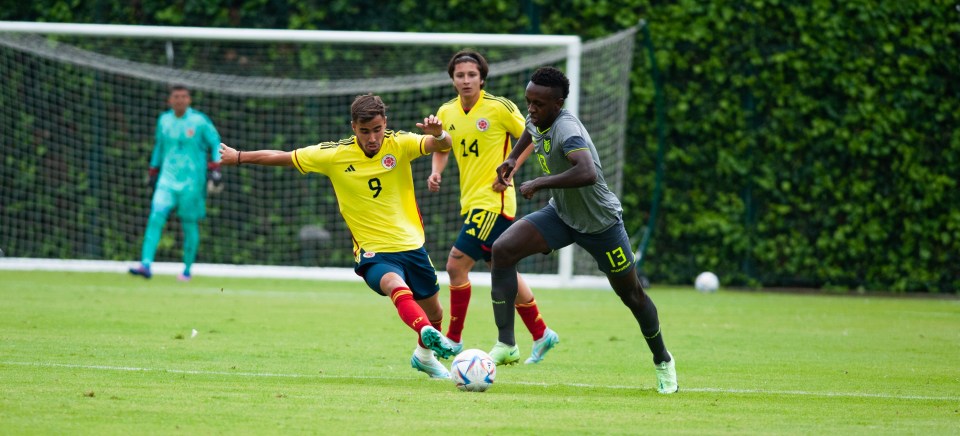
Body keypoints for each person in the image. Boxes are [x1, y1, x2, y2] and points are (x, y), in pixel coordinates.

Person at [218, 94, 461, 379]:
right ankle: (424, 331)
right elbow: (284, 157)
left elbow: (442, 144)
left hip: (412, 246)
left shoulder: (401, 143)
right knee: (395, 285)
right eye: (365, 131)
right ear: (353, 127)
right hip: (373, 252)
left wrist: (440, 134)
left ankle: (424, 356)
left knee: (434, 310)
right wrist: (239, 157)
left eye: (378, 129)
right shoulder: (334, 155)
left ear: (386, 124)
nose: (373, 138)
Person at [492, 67, 679, 394]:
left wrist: (540, 181)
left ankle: (663, 360)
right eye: (528, 101)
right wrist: (510, 160)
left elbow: (588, 172)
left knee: (631, 295)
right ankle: (507, 342)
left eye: (538, 103)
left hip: (601, 223)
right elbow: (529, 130)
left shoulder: (568, 130)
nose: (530, 109)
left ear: (558, 103)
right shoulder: (538, 117)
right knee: (502, 250)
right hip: (562, 215)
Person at [428, 50, 559, 366]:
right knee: (502, 270)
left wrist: (510, 171)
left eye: (472, 74)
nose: (466, 80)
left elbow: (531, 136)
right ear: (453, 79)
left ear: (482, 78)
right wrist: (436, 170)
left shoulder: (499, 108)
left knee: (456, 266)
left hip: (494, 202)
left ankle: (454, 339)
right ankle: (541, 333)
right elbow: (443, 144)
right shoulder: (446, 112)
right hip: (471, 202)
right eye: (460, 75)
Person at [129, 85, 223, 282]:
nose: (180, 100)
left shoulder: (199, 121)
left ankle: (187, 270)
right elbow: (159, 147)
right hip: (167, 180)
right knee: (155, 216)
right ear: (169, 101)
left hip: (192, 183)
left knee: (189, 224)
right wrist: (153, 170)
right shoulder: (163, 120)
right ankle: (146, 264)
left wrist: (215, 169)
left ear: (189, 100)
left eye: (183, 96)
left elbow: (215, 143)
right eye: (176, 97)